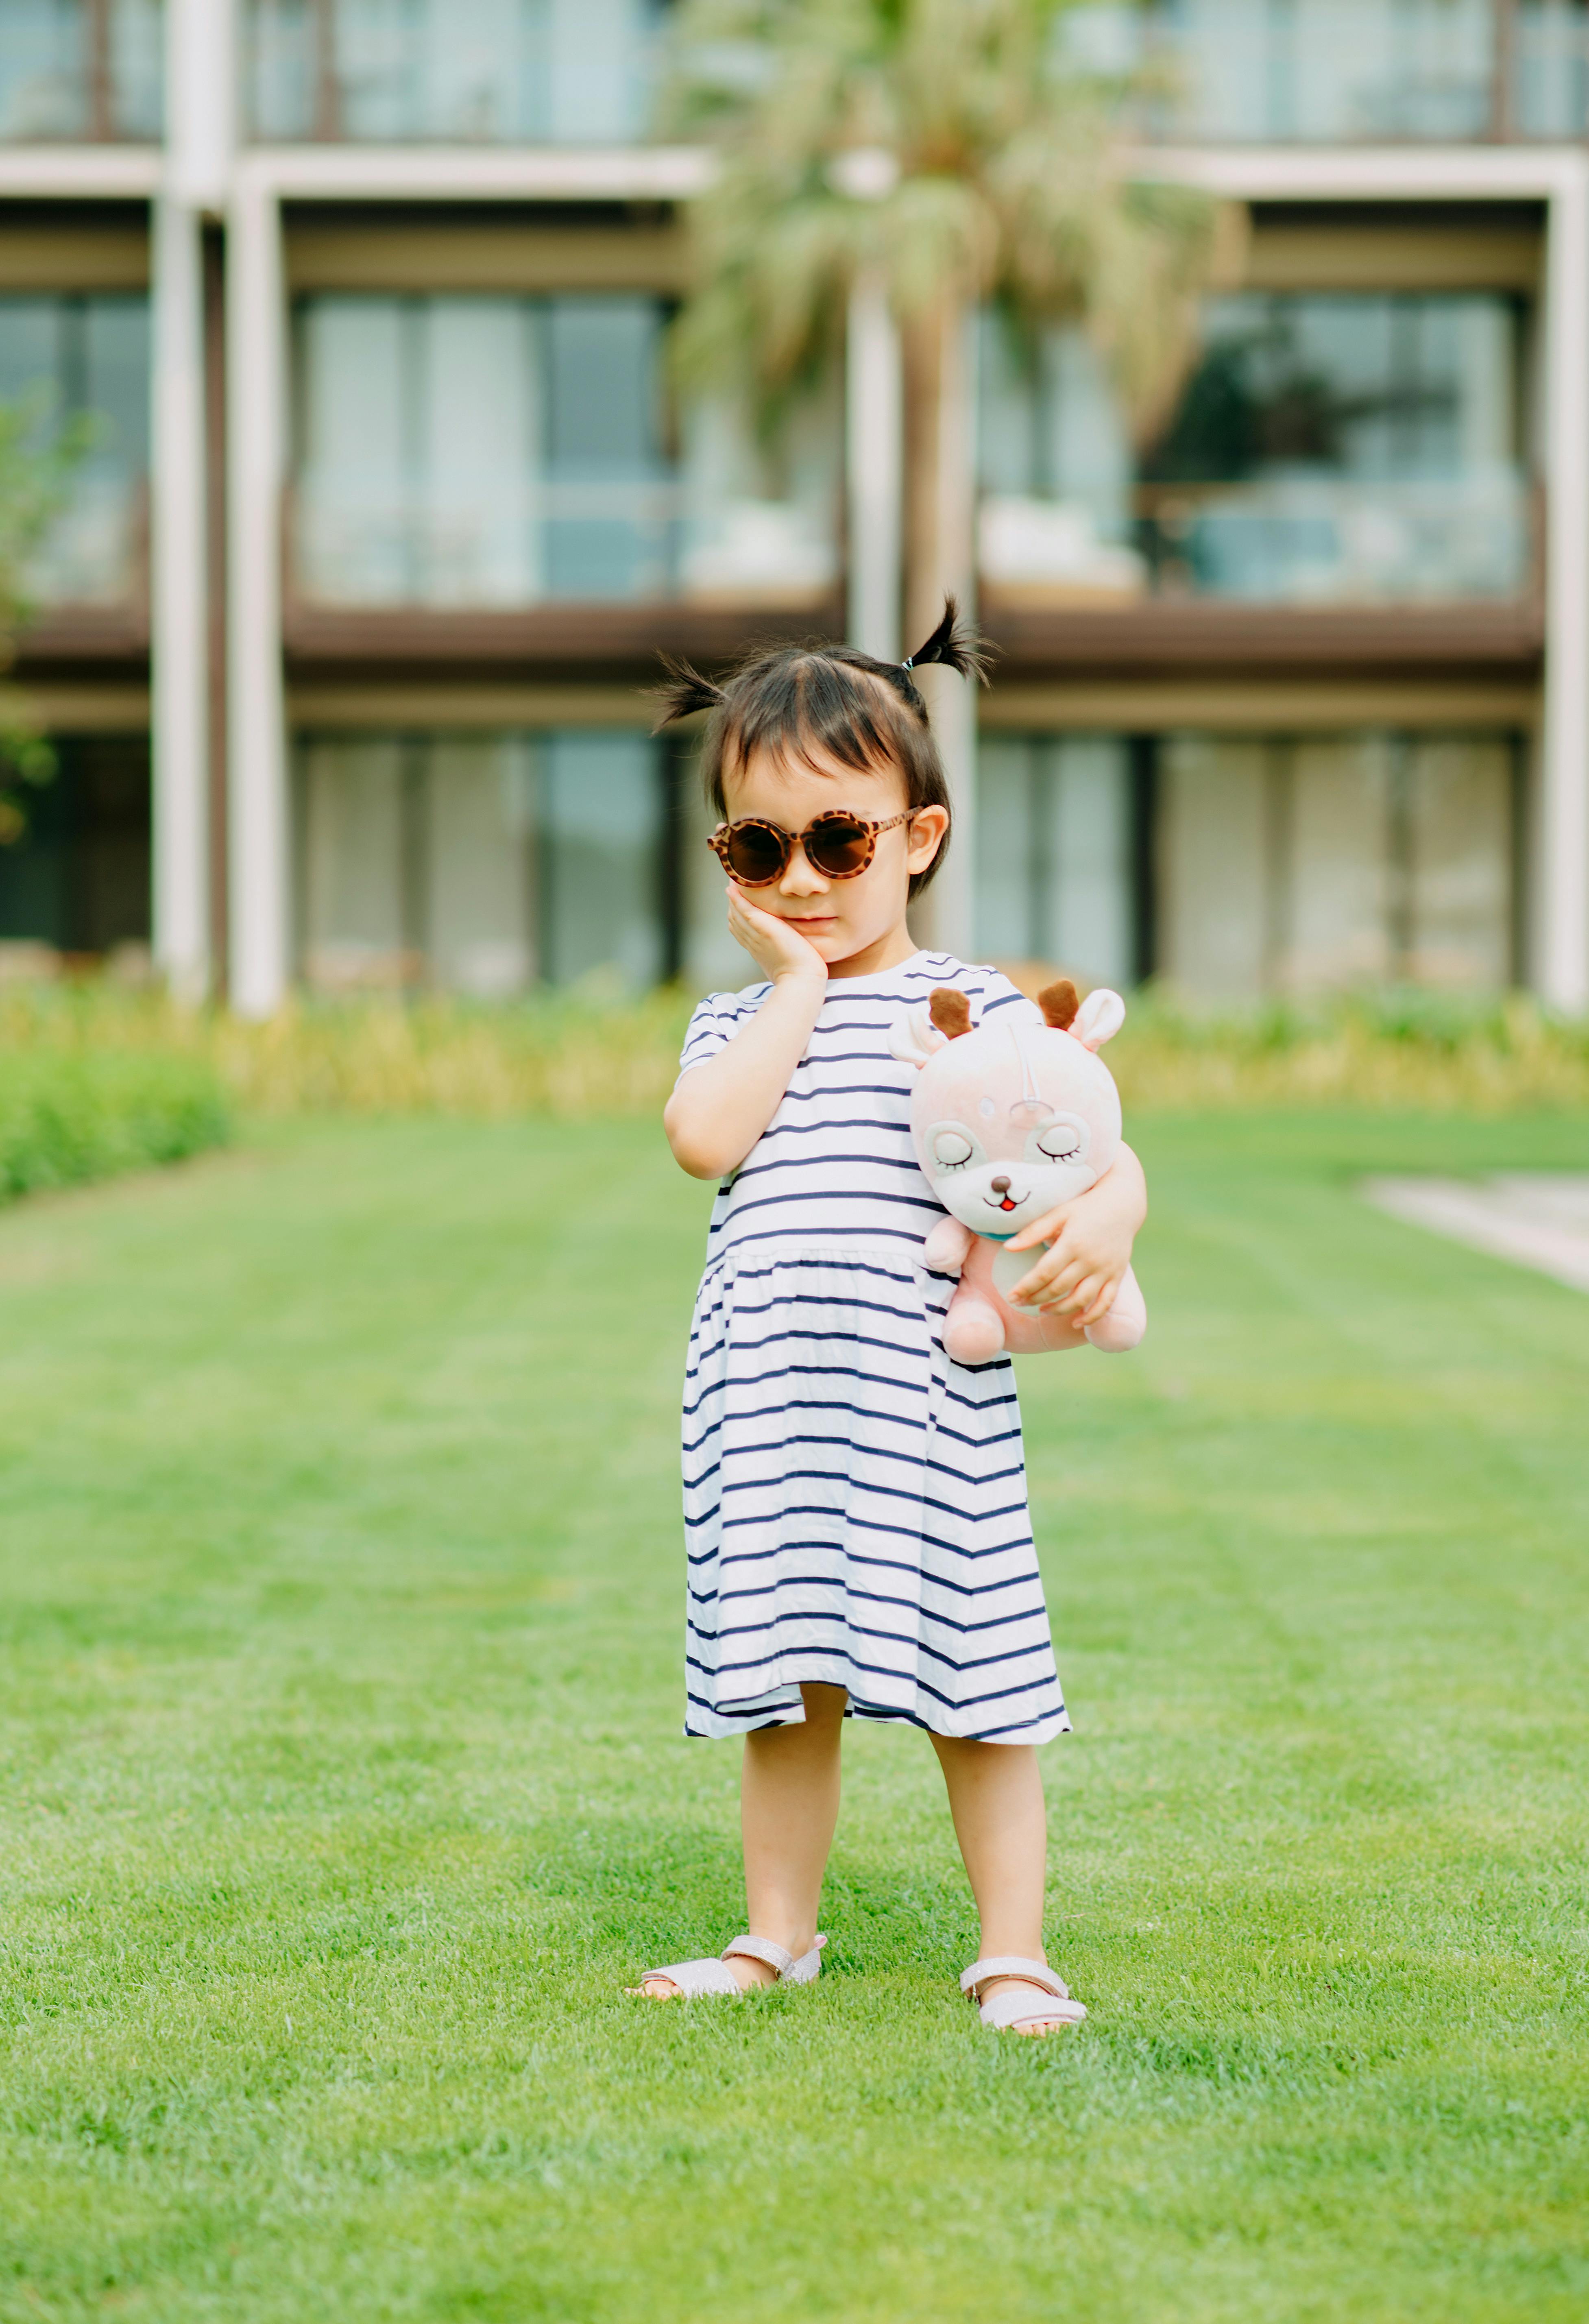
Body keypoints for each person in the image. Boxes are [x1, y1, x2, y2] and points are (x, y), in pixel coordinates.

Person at [632, 603, 1147, 2035]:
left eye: (837, 842)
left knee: (975, 1675)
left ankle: (1014, 1949)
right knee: (786, 1685)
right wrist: (795, 984)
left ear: (917, 836)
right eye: (760, 849)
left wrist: (1107, 1220)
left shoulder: (978, 1010)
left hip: (921, 1397)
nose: (802, 879)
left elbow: (1091, 1146)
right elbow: (702, 1141)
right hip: (768, 1399)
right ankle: (776, 1934)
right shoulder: (735, 1022)